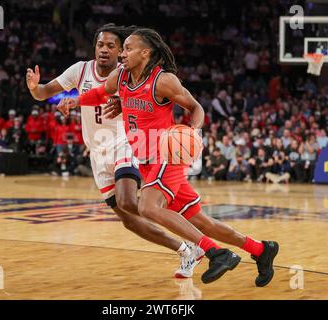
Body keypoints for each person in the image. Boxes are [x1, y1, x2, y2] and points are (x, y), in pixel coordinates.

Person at [60, 28, 279, 286]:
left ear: (146, 52)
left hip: (167, 152)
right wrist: (76, 101)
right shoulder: (120, 77)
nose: (122, 54)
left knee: (147, 206)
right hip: (146, 161)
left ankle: (216, 252)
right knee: (201, 221)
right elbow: (101, 92)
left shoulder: (163, 81)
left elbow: (195, 107)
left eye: (128, 48)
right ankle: (261, 250)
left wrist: (193, 131)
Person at [26, 24, 200, 278]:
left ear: (121, 51)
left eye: (111, 46)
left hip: (124, 141)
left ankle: (181, 222)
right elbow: (44, 93)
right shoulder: (80, 70)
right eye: (100, 44)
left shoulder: (128, 73)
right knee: (129, 219)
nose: (104, 50)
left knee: (129, 200)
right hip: (97, 152)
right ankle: (185, 248)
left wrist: (124, 103)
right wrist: (34, 88)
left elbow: (151, 97)